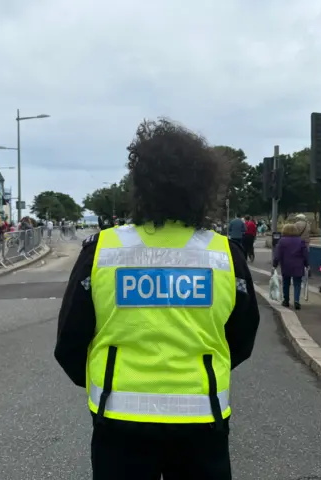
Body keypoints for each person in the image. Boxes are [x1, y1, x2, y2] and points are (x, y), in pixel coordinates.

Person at [55, 118, 260, 479]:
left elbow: (71, 340)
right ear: (204, 188)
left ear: (141, 185)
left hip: (119, 421)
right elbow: (242, 338)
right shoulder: (225, 255)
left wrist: (108, 383)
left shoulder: (102, 250)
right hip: (203, 420)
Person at [272, 223, 308, 310]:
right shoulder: (300, 241)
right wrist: (307, 264)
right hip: (298, 265)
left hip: (286, 265)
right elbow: (305, 254)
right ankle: (296, 301)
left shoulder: (282, 241)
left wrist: (275, 264)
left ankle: (286, 301)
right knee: (297, 284)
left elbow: (277, 255)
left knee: (286, 283)